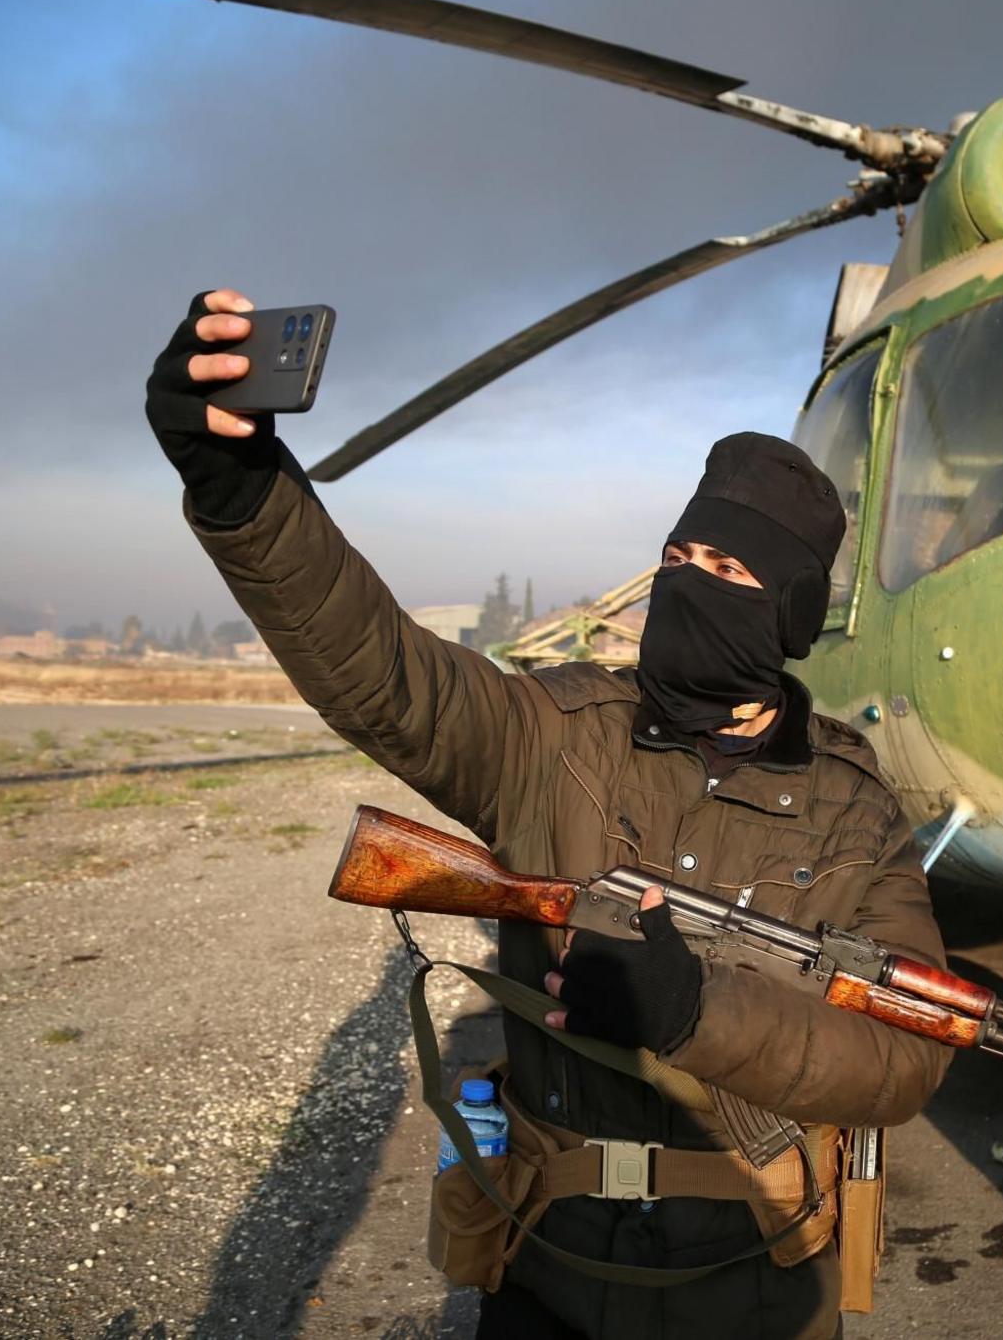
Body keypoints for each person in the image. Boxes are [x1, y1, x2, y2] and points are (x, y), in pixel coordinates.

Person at [144, 290, 953, 1340]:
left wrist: (696, 1013)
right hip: (549, 1266)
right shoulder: (554, 735)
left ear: (787, 614)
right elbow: (381, 671)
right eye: (678, 562)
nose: (690, 587)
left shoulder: (855, 812)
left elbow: (901, 1059)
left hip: (757, 1282)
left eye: (730, 571)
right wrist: (240, 488)